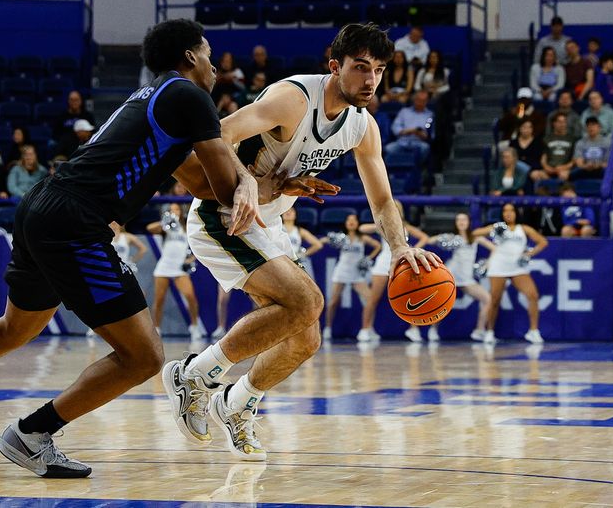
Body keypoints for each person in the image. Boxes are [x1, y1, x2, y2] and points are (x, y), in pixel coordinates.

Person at [0, 19, 264, 478]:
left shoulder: (157, 99)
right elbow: (222, 185)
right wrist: (249, 182)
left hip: (43, 205)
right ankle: (32, 433)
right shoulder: (190, 95)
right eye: (208, 54)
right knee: (144, 357)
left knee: (13, 329)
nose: (216, 67)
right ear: (188, 58)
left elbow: (198, 179)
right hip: (75, 222)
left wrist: (263, 182)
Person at [163, 23, 440, 460]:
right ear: (335, 66)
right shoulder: (293, 99)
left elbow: (383, 199)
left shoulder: (362, 127)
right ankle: (194, 375)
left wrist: (400, 247)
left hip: (268, 223)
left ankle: (236, 404)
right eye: (361, 68)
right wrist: (247, 183)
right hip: (224, 214)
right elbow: (216, 133)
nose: (371, 80)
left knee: (305, 338)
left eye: (380, 70)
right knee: (308, 302)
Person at [472, 203, 548, 344]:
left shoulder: (523, 228)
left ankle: (533, 331)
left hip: (517, 268)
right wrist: (493, 229)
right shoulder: (498, 227)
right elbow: (475, 233)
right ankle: (489, 332)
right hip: (498, 267)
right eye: (505, 211)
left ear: (516, 213)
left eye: (511, 210)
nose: (508, 213)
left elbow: (543, 242)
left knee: (533, 295)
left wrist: (529, 254)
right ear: (502, 214)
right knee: (494, 300)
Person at [358, 200, 430, 343]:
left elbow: (424, 238)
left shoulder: (406, 226)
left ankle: (413, 330)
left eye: (397, 208)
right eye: (392, 208)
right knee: (373, 298)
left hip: (401, 264)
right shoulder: (382, 224)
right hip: (383, 263)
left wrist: (412, 249)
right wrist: (379, 223)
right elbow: (362, 229)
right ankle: (365, 330)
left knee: (411, 297)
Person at [415, 213, 494, 342]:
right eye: (458, 220)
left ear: (469, 222)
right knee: (440, 304)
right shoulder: (453, 238)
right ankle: (432, 330)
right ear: (455, 223)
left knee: (487, 299)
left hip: (467, 279)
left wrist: (487, 264)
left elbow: (494, 249)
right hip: (450, 277)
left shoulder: (475, 238)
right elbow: (430, 240)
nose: (461, 222)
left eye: (464, 219)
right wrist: (440, 238)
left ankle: (479, 330)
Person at [321, 213, 380, 340]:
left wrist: (368, 258)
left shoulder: (362, 238)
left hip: (356, 273)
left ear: (358, 223)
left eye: (354, 220)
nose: (351, 222)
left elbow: (378, 246)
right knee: (333, 302)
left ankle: (369, 328)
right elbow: (325, 240)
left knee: (370, 299)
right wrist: (327, 239)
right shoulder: (342, 237)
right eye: (349, 220)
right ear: (346, 223)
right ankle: (328, 328)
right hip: (342, 271)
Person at [146, 203, 201, 339]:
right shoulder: (167, 227)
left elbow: (196, 246)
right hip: (164, 267)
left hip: (179, 268)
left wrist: (190, 260)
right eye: (171, 210)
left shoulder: (186, 227)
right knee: (159, 300)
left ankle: (194, 327)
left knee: (190, 297)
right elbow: (150, 228)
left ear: (181, 212)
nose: (174, 211)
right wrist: (165, 221)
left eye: (176, 209)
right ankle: (157, 329)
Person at [384, 90, 433, 160]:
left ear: (426, 101)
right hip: (402, 141)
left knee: (426, 148)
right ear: (414, 100)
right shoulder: (404, 111)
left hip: (419, 142)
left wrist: (423, 134)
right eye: (418, 100)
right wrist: (409, 131)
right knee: (388, 148)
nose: (420, 103)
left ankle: (420, 169)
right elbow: (395, 128)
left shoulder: (430, 115)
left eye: (423, 101)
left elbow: (429, 133)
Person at [530, 113, 576, 181]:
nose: (562, 124)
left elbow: (574, 160)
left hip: (564, 169)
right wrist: (546, 167)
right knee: (534, 174)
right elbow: (543, 157)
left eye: (564, 122)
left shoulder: (572, 139)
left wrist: (563, 167)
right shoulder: (546, 139)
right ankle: (551, 186)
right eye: (559, 122)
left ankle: (553, 188)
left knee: (563, 175)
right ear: (554, 123)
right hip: (549, 168)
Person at [280, 206, 323, 279]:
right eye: (286, 210)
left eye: (291, 210)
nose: (288, 212)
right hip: (280, 262)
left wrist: (302, 254)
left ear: (295, 215)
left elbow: (318, 245)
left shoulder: (300, 230)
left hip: (294, 262)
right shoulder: (276, 229)